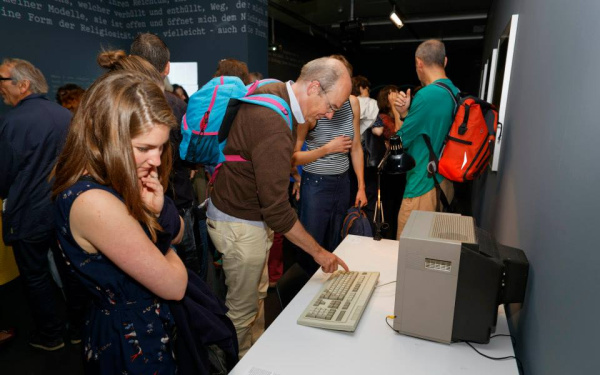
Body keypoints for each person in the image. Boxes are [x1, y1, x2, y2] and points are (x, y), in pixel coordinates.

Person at [206, 56, 351, 358]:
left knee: (256, 296)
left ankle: (252, 353)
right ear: (314, 87)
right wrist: (319, 252)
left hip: (239, 212)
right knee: (242, 310)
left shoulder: (273, 90)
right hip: (241, 221)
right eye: (331, 106)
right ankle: (232, 361)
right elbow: (277, 211)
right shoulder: (273, 123)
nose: (327, 115)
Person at [52, 69, 187, 375]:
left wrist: (158, 210)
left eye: (162, 146)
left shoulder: (118, 177)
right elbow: (175, 284)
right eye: (144, 148)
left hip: (145, 328)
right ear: (105, 137)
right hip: (132, 343)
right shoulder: (95, 202)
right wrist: (161, 239)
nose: (156, 159)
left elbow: (178, 232)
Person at [0, 58, 84, 351]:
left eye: (2, 81)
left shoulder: (11, 122)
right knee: (71, 271)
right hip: (65, 211)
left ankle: (50, 335)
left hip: (28, 213)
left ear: (22, 85)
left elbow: (3, 176)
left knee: (35, 276)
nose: (0, 89)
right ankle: (78, 329)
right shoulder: (65, 116)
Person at [130, 33, 206, 279]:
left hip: (129, 202)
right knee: (186, 271)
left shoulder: (115, 104)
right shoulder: (176, 105)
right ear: (167, 67)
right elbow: (190, 152)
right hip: (176, 199)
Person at [291, 55, 367, 273]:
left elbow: (356, 147)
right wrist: (326, 149)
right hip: (316, 184)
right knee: (311, 244)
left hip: (343, 183)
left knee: (338, 240)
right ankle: (304, 294)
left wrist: (361, 186)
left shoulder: (352, 104)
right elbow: (293, 156)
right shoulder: (311, 110)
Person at [393, 39, 458, 237]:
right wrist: (407, 113)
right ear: (445, 61)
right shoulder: (453, 92)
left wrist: (397, 114)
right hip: (444, 182)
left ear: (419, 63)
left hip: (423, 185)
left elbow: (399, 143)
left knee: (405, 252)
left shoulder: (426, 95)